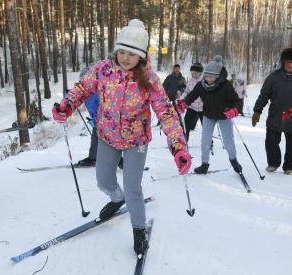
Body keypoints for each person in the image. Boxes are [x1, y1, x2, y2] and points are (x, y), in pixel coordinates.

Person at [52, 19, 191, 256]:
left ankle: (139, 230)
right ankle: (117, 199)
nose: (125, 58)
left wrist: (178, 147)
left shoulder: (149, 79)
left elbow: (166, 113)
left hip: (136, 141)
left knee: (133, 188)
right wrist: (66, 105)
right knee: (103, 180)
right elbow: (83, 88)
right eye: (122, 51)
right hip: (107, 136)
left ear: (142, 56)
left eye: (132, 54)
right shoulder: (103, 70)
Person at [177, 55, 243, 174]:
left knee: (228, 141)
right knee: (205, 140)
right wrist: (184, 104)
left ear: (217, 77)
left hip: (224, 116)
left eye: (211, 77)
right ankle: (204, 164)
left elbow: (237, 101)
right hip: (208, 115)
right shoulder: (201, 85)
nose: (207, 78)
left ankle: (234, 161)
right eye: (206, 76)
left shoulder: (225, 85)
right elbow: (191, 96)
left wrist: (234, 110)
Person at [252, 48, 292, 175]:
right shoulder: (274, 77)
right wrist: (257, 110)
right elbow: (264, 94)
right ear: (283, 62)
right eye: (287, 62)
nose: (290, 64)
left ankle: (290, 167)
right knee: (271, 142)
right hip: (276, 115)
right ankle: (273, 163)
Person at [180, 62, 203, 142]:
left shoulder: (204, 82)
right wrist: (181, 99)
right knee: (186, 123)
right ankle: (185, 139)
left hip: (202, 108)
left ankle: (208, 142)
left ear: (200, 73)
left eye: (195, 73)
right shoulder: (190, 81)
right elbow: (186, 92)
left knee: (206, 126)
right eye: (192, 73)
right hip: (192, 107)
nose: (193, 75)